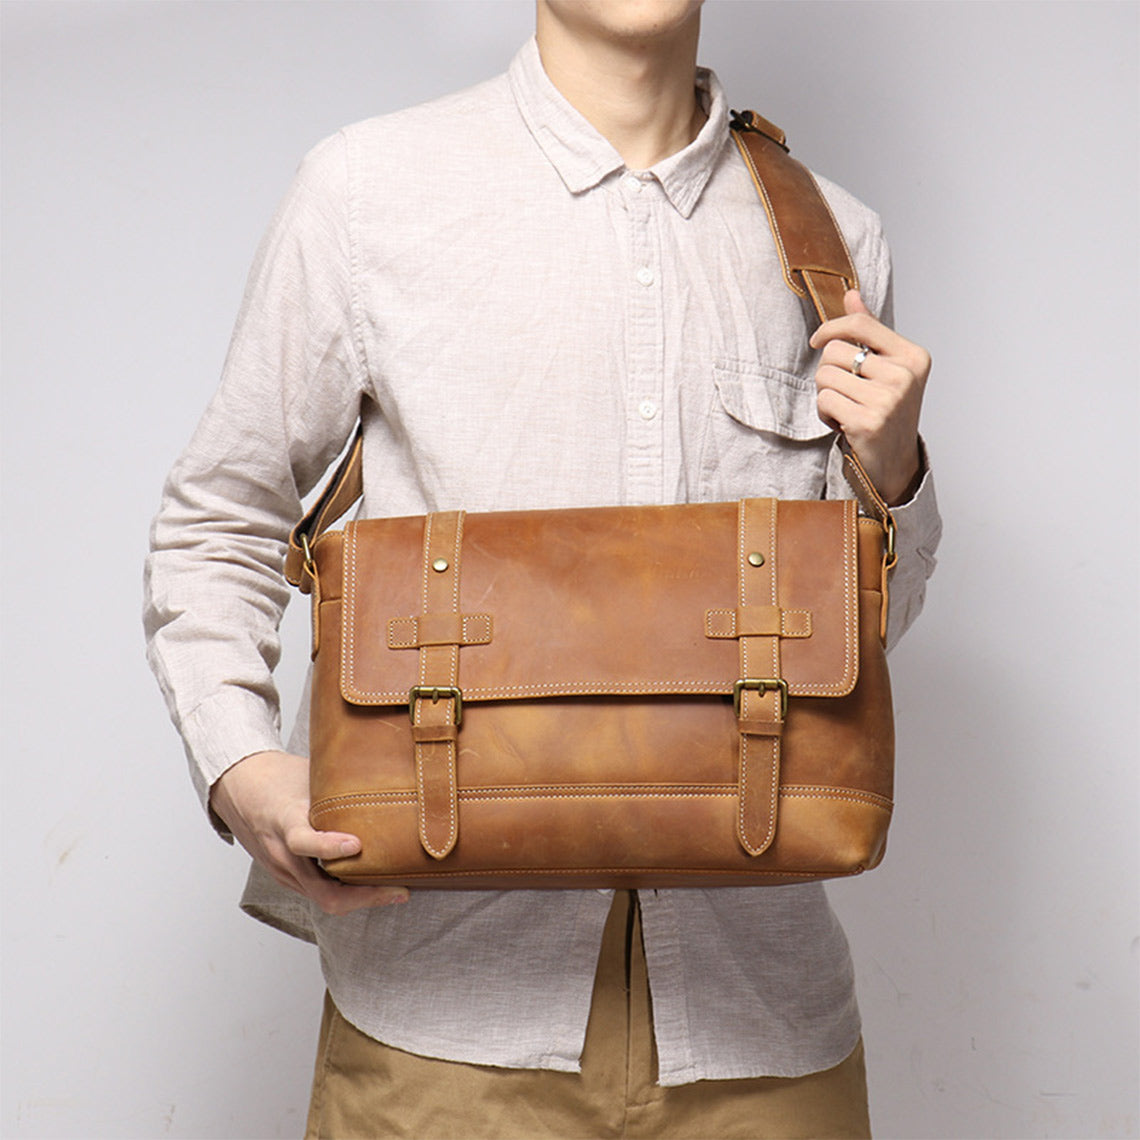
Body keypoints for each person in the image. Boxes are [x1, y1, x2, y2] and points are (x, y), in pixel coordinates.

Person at [144, 1, 941, 1136]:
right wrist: (239, 763)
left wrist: (894, 472)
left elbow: (861, 639)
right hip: (438, 1033)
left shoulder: (834, 241)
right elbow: (221, 515)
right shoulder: (368, 192)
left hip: (763, 1037)